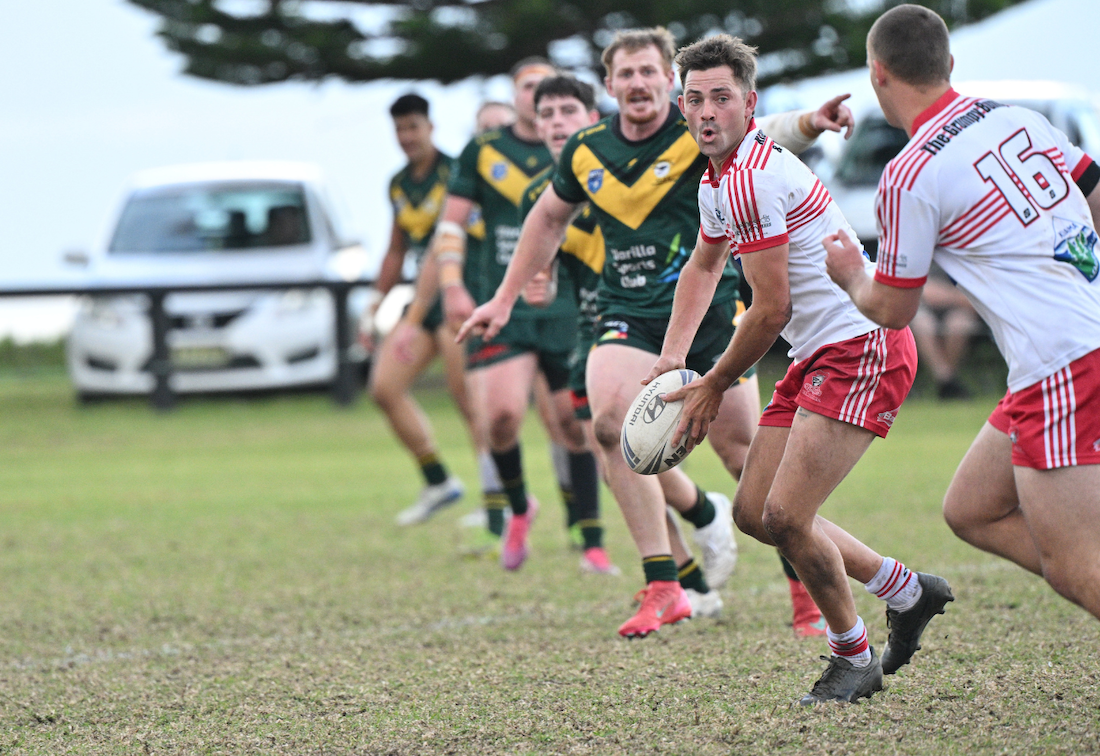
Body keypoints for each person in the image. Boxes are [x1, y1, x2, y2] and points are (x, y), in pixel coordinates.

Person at [459, 27, 851, 638]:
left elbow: (763, 129)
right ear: (609, 85)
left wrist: (810, 121)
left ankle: (804, 596)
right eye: (626, 73)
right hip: (629, 314)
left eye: (649, 71)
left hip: (713, 315)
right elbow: (547, 219)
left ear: (668, 82)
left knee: (742, 452)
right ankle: (664, 584)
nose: (638, 82)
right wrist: (504, 297)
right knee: (609, 427)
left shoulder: (696, 128)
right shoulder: (585, 149)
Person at [652, 33, 952, 704]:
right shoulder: (717, 180)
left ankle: (853, 657)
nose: (707, 112)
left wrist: (713, 385)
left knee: (787, 515)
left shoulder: (754, 178)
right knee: (755, 513)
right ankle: (908, 591)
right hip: (819, 352)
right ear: (683, 107)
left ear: (749, 104)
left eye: (721, 98)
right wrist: (673, 357)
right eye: (694, 99)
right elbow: (703, 265)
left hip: (861, 346)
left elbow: (770, 309)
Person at [825, 5, 1100, 624]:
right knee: (972, 509)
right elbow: (1096, 194)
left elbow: (892, 308)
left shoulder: (909, 174)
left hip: (1061, 364)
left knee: (1075, 566)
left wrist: (850, 274)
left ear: (878, 73)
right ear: (948, 63)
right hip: (1069, 351)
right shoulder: (1018, 117)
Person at [405, 58, 599, 571]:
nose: (538, 96)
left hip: (566, 307)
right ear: (516, 96)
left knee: (571, 422)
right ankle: (518, 509)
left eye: (546, 87)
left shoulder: (585, 149)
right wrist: (452, 286)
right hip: (503, 303)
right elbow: (450, 227)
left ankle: (590, 535)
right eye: (527, 87)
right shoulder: (484, 150)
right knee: (502, 416)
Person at [367, 94, 502, 527]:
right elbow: (395, 250)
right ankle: (438, 481)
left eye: (413, 126)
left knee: (468, 400)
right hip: (423, 299)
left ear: (430, 127)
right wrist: (374, 305)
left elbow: (452, 242)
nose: (407, 136)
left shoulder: (455, 171)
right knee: (384, 387)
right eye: (399, 129)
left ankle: (496, 502)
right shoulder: (398, 184)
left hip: (460, 290)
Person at [910, 263, 981, 399]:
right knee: (922, 324)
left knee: (959, 325)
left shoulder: (966, 259)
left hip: (958, 309)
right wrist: (956, 296)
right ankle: (947, 381)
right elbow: (924, 291)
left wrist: (942, 295)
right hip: (925, 308)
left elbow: (975, 297)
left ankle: (946, 383)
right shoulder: (924, 257)